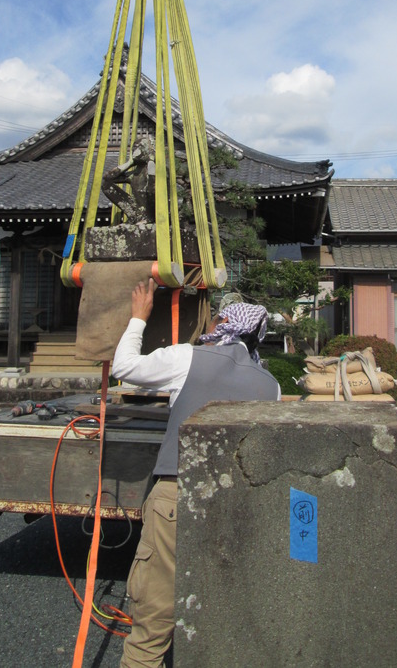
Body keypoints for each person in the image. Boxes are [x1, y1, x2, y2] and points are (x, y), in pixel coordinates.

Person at [112, 278, 280, 668]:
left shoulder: (188, 357)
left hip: (176, 496)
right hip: (238, 506)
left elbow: (124, 367)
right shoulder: (269, 386)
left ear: (223, 321)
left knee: (153, 617)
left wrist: (139, 318)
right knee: (221, 604)